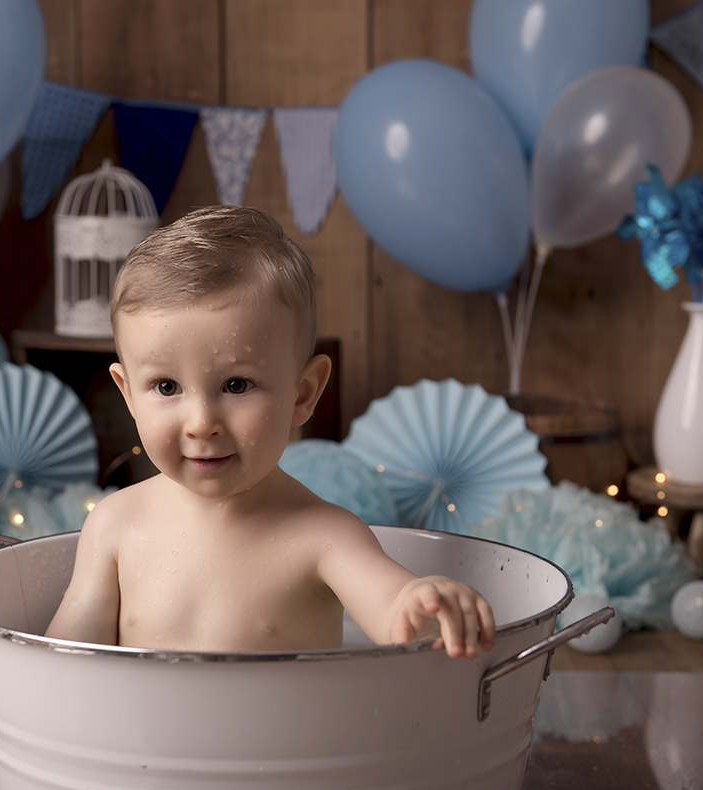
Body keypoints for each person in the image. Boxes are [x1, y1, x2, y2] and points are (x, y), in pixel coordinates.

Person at [46, 206, 495, 657]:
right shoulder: (114, 524)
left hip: (285, 730)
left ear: (302, 394)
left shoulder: (323, 535)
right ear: (127, 394)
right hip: (136, 731)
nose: (202, 422)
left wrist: (420, 601)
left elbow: (391, 607)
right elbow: (60, 660)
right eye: (166, 387)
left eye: (236, 385)